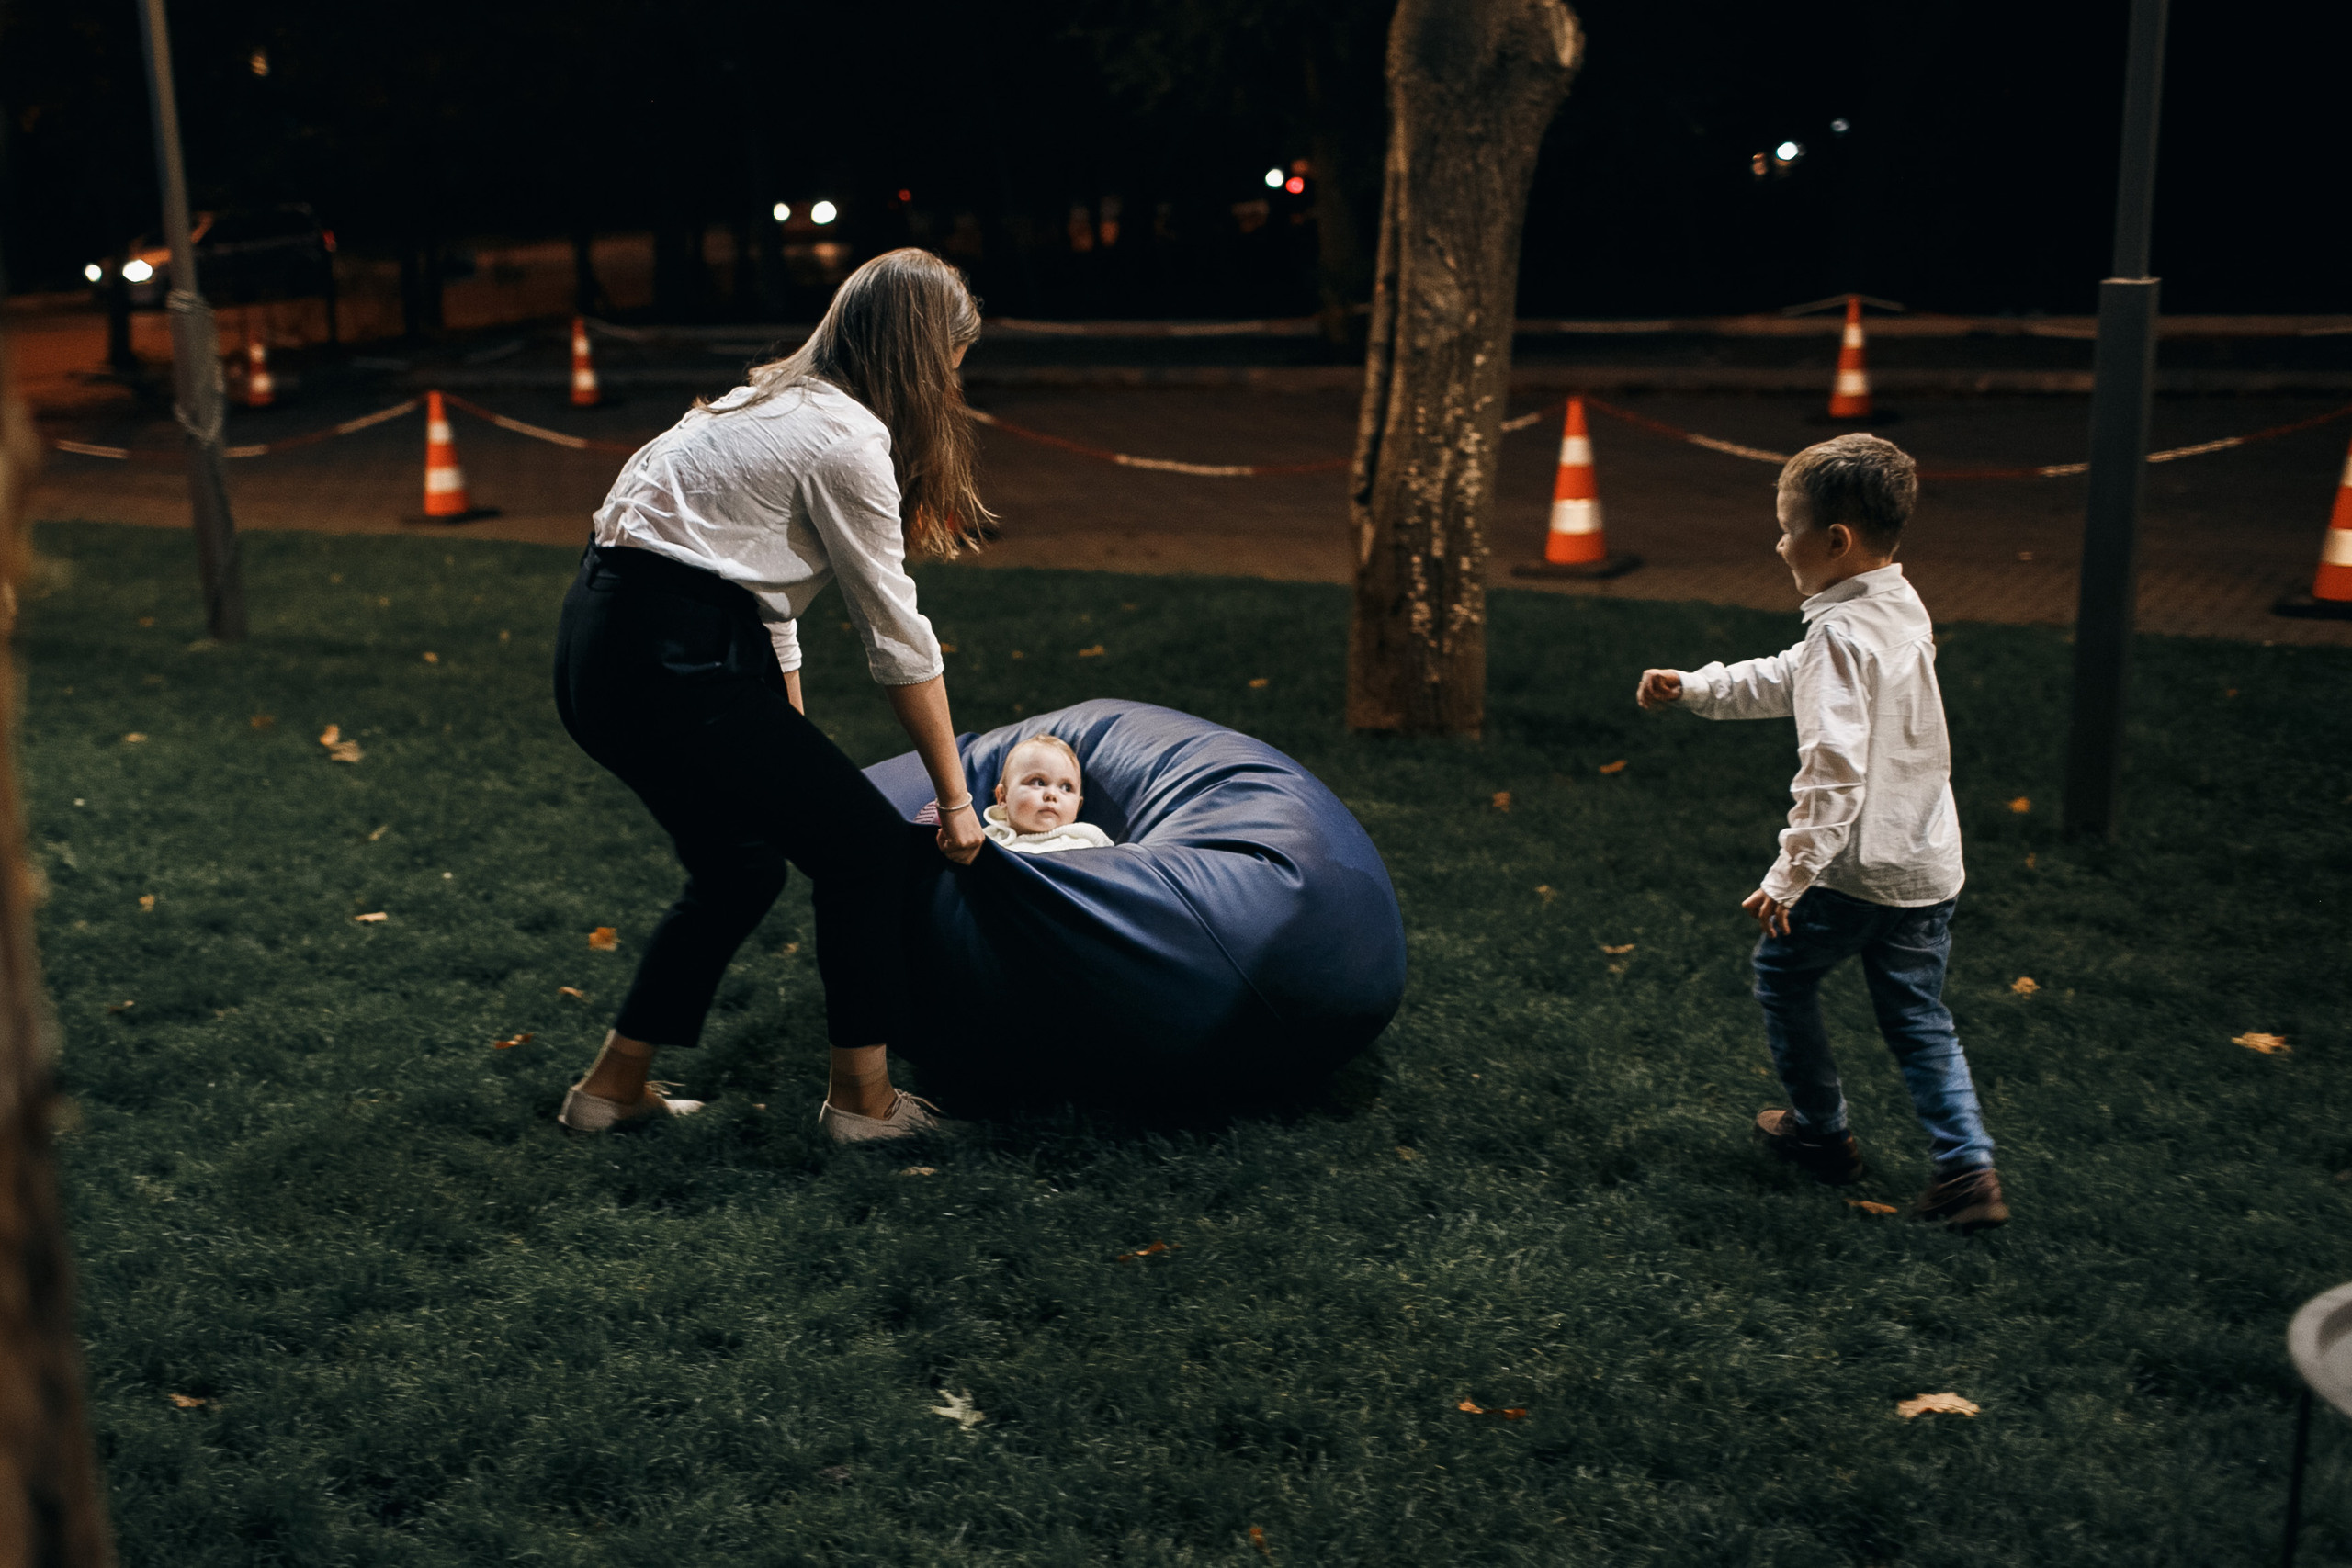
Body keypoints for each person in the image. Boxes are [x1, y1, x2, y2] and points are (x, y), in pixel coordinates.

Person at [553, 248, 992, 1145]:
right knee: (868, 849)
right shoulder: (845, 439)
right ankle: (861, 1106)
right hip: (675, 665)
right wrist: (955, 803)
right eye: (952, 358)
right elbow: (897, 639)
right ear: (919, 354)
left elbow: (763, 596)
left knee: (740, 868)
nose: (955, 381)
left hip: (599, 649)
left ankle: (610, 1091)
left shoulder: (760, 403)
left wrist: (784, 731)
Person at [1634, 433, 2007, 1232]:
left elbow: (1833, 770)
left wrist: (1788, 875)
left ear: (1834, 540)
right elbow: (1794, 673)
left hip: (1851, 873)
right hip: (1925, 868)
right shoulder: (1893, 606)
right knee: (1918, 1018)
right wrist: (1698, 686)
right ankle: (1968, 1169)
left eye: (1786, 525)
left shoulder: (1841, 634)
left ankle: (1821, 1133)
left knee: (1783, 975)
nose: (1778, 543)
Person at [981, 734, 1114, 855]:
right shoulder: (987, 837)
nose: (1052, 795)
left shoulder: (1081, 843)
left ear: (1078, 806)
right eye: (1038, 782)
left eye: (1066, 787)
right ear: (1003, 796)